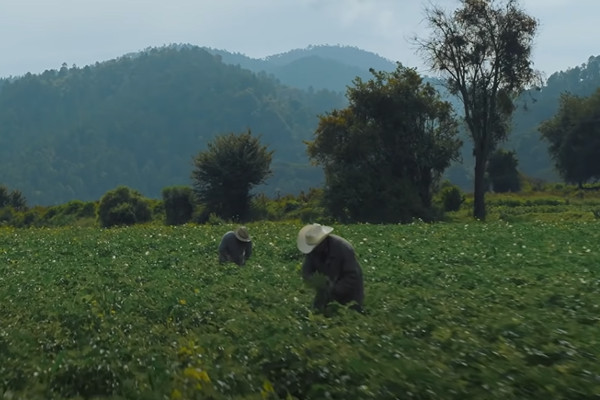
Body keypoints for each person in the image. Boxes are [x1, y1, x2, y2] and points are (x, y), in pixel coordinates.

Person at [297, 223, 364, 312]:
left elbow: (352, 275)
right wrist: (315, 282)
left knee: (348, 315)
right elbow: (306, 271)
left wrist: (334, 289)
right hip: (327, 291)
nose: (314, 250)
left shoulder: (343, 248)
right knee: (319, 313)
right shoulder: (312, 251)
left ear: (323, 241)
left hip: (350, 292)